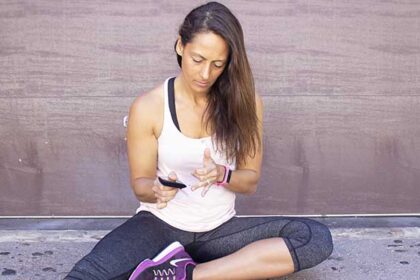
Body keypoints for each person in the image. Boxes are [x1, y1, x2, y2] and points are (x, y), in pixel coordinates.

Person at [65, 2, 333, 279]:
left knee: (314, 238)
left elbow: (250, 181)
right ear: (181, 46)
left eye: (218, 64)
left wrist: (221, 174)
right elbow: (140, 185)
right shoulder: (148, 107)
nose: (206, 74)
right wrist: (156, 189)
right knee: (84, 275)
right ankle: (175, 270)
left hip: (220, 232)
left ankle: (186, 275)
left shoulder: (246, 104)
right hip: (159, 226)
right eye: (198, 60)